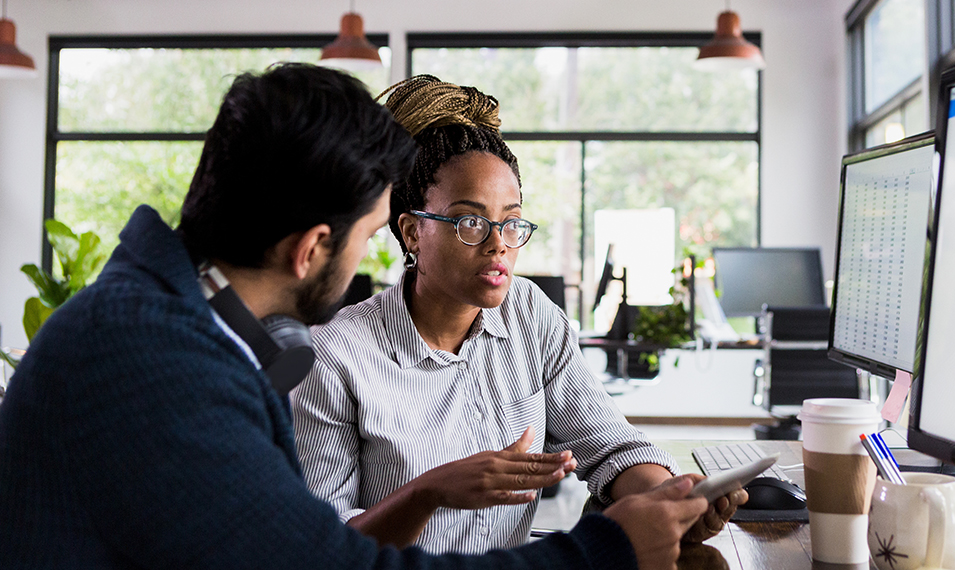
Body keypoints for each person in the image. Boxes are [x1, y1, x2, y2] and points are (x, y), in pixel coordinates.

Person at [0, 63, 709, 570]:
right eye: (372, 234)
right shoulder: (155, 364)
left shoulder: (169, 323)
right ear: (312, 249)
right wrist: (606, 549)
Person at [291, 74, 747, 555]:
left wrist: (671, 498)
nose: (498, 245)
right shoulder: (337, 357)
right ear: (411, 232)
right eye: (470, 222)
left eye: (511, 222)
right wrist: (428, 492)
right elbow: (326, 547)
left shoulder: (528, 314)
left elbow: (611, 448)